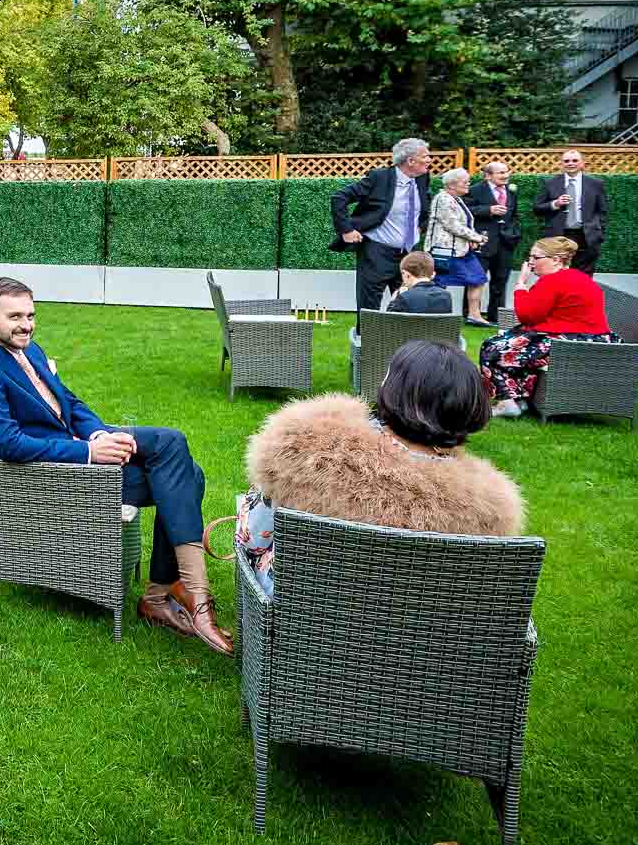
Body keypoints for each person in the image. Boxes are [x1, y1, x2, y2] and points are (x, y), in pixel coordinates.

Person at [0, 276, 231, 654]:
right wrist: (89, 454)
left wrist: (99, 435)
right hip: (54, 479)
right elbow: (7, 444)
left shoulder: (29, 349)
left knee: (173, 450)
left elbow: (70, 403)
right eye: (15, 316)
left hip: (77, 450)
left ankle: (172, 597)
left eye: (31, 315)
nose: (26, 325)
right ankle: (180, 598)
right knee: (186, 475)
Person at [238, 340, 524, 595]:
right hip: (422, 633)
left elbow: (252, 537)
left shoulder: (307, 449)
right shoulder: (488, 507)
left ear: (393, 388)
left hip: (308, 610)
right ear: (469, 407)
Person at [477, 237, 615, 418]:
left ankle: (507, 402)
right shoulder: (578, 277)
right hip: (591, 340)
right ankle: (520, 400)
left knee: (492, 348)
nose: (530, 262)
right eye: (530, 257)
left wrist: (520, 285)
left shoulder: (552, 281)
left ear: (556, 260)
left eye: (536, 257)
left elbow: (527, 316)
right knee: (508, 342)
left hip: (571, 346)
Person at [329, 137, 433, 326]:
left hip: (409, 255)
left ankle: (405, 351)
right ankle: (366, 350)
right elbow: (339, 198)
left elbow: (424, 205)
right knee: (370, 309)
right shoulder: (380, 178)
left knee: (409, 306)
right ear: (410, 161)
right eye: (425, 156)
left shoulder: (422, 178)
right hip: (377, 252)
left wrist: (420, 225)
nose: (429, 160)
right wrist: (346, 230)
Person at [425, 166, 492, 325]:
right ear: (451, 184)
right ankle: (434, 318)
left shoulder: (455, 198)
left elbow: (464, 223)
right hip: (446, 251)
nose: (468, 184)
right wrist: (477, 238)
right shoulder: (443, 198)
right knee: (439, 284)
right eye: (465, 182)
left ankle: (474, 315)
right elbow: (452, 225)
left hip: (460, 250)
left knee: (478, 279)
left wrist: (472, 240)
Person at [533, 148, 607, 274]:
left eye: (575, 160)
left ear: (582, 163)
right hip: (559, 235)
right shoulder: (550, 183)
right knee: (556, 273)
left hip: (586, 235)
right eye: (566, 161)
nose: (570, 163)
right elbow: (537, 208)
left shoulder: (596, 183)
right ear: (562, 164)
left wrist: (599, 229)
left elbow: (602, 210)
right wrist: (555, 203)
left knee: (584, 274)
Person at [467, 160, 523, 315]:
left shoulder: (511, 191)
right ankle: (472, 314)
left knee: (501, 279)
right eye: (501, 173)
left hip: (505, 242)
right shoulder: (475, 190)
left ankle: (495, 315)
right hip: (482, 241)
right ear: (488, 176)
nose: (505, 176)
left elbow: (515, 215)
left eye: (506, 172)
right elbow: (466, 210)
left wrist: (515, 233)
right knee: (476, 279)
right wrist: (489, 209)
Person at [385, 250, 452, 314]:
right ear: (433, 274)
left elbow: (389, 322)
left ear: (406, 274)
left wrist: (393, 302)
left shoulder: (404, 298)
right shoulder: (446, 296)